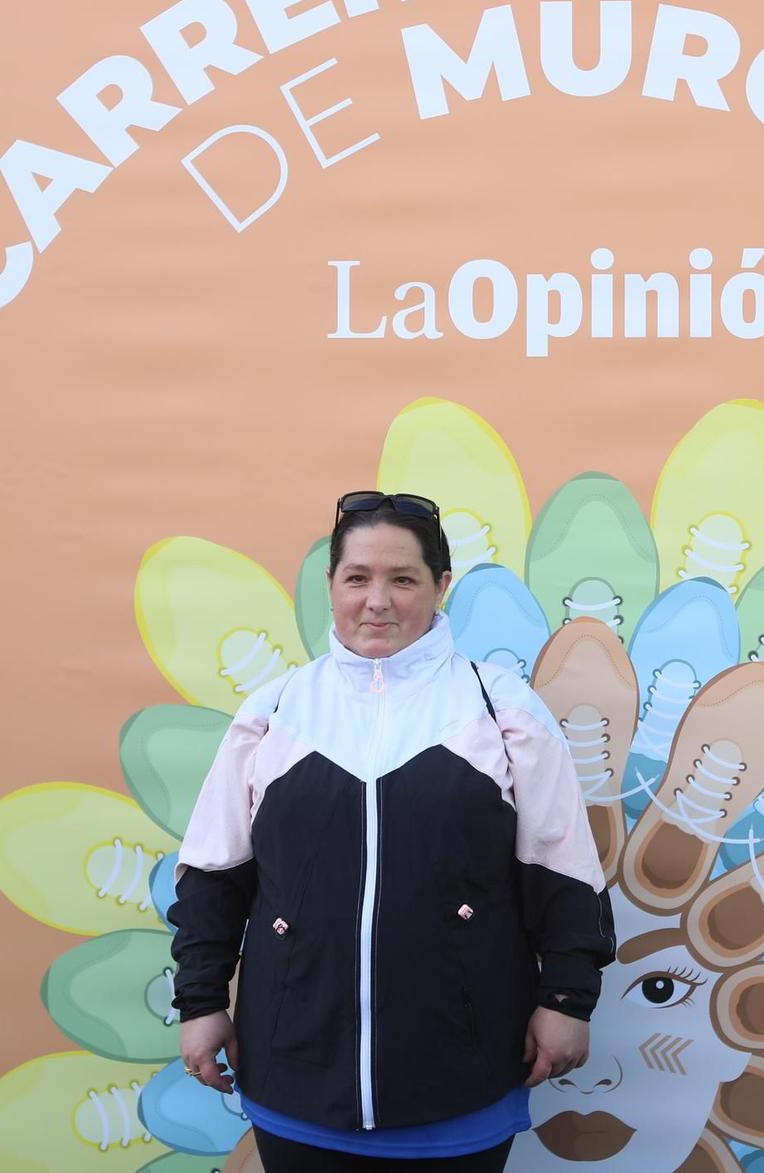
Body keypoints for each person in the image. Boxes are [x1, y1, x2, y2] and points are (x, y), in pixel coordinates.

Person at [171, 490, 616, 1172]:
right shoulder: (276, 711)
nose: (377, 601)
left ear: (440, 587)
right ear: (331, 586)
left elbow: (564, 871)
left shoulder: (501, 709)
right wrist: (201, 1001)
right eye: (358, 578)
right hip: (297, 1079)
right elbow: (213, 874)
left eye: (402, 579)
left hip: (461, 1080)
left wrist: (566, 999)